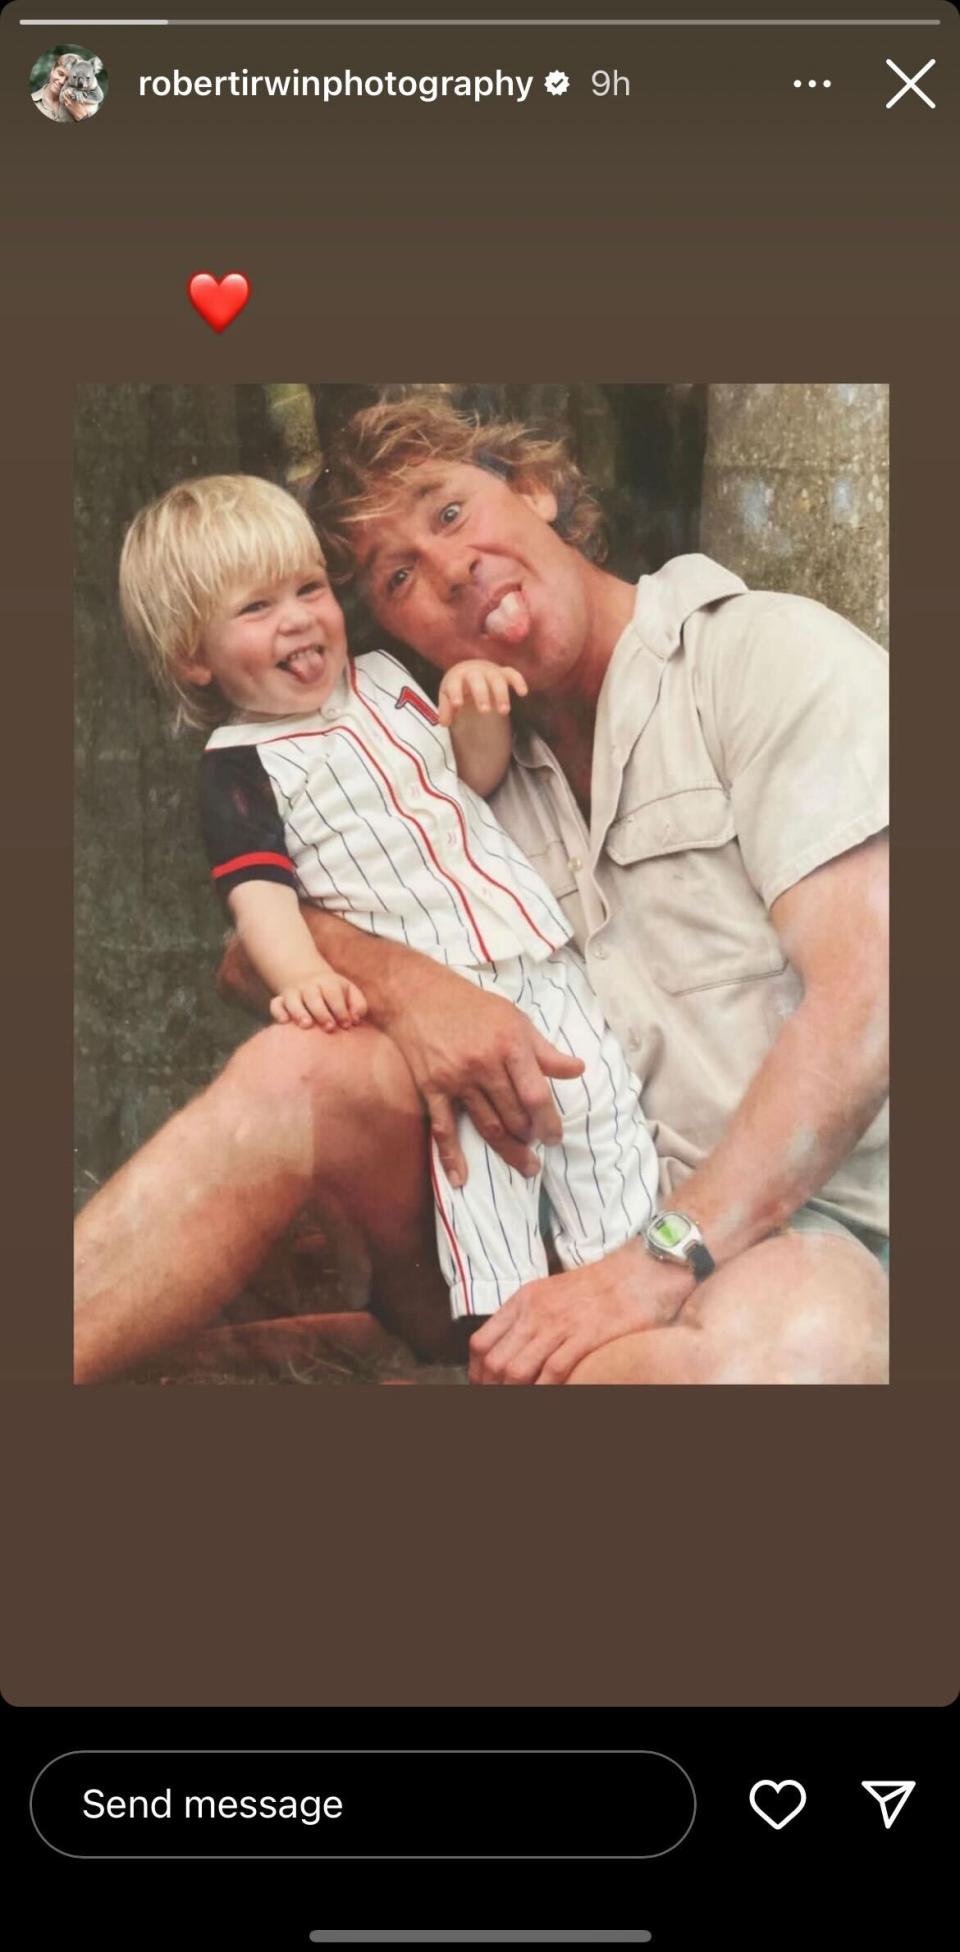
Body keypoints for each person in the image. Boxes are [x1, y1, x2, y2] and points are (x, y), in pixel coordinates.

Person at [75, 396, 888, 1387]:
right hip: (530, 1211)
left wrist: (656, 1260)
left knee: (800, 1352)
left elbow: (871, 1002)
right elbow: (256, 954)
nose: (450, 568)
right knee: (296, 1071)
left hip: (782, 1233)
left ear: (537, 490)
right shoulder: (453, 757)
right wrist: (421, 995)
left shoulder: (762, 658)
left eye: (449, 512)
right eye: (399, 575)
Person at [118, 473, 659, 1330]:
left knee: (598, 1107)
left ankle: (624, 1287)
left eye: (307, 591)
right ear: (196, 655)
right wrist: (298, 975)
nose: (298, 618)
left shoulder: (381, 676)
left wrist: (476, 709)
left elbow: (470, 780)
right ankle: (507, 1327)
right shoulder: (241, 763)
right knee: (485, 1162)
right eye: (256, 610)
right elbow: (260, 894)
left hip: (528, 945)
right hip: (436, 989)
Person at [31, 52, 99, 122]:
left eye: (68, 78)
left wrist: (83, 116)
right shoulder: (33, 100)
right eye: (60, 74)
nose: (62, 81)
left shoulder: (81, 102)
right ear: (52, 70)